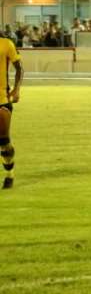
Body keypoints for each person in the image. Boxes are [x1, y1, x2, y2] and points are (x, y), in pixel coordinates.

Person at [0, 34, 23, 189]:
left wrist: (16, 89)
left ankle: (10, 173)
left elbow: (20, 68)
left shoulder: (6, 44)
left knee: (3, 142)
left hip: (1, 99)